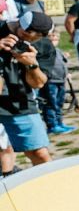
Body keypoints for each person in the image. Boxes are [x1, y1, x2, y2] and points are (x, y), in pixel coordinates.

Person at [0, 11, 54, 172]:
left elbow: (38, 83)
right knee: (4, 150)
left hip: (19, 102)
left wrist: (31, 64)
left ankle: (50, 185)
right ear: (18, 24)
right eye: (24, 34)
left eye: (34, 38)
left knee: (39, 153)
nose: (27, 40)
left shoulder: (44, 45)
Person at [34, 24, 73, 136]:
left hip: (61, 80)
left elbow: (63, 64)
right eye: (52, 38)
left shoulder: (59, 51)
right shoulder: (44, 52)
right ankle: (52, 125)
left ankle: (60, 123)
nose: (55, 41)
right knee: (51, 103)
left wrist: (67, 74)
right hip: (50, 81)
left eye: (57, 39)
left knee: (59, 103)